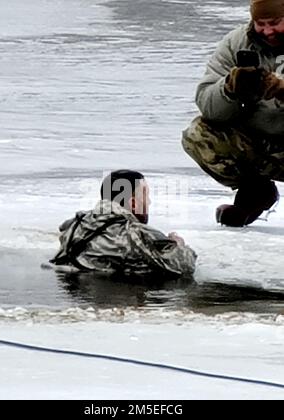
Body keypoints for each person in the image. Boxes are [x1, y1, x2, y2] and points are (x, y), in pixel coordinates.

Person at [182, 0, 284, 227]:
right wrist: (229, 88)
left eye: (275, 23)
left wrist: (280, 89)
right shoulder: (237, 43)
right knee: (199, 134)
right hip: (260, 143)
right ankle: (256, 192)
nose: (268, 31)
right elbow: (207, 105)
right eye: (261, 23)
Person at [50, 170, 197, 278]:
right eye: (146, 196)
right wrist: (179, 244)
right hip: (112, 294)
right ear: (133, 203)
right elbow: (184, 266)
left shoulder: (76, 223)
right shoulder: (137, 234)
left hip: (76, 290)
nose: (149, 202)